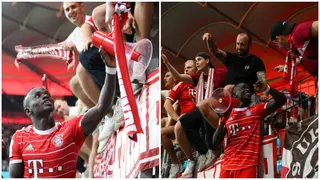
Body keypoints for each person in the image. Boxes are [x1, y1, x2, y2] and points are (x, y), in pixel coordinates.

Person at [9, 49, 117, 178]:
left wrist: (110, 69)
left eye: (46, 95)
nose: (45, 96)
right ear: (28, 111)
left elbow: (102, 107)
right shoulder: (20, 137)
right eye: (37, 96)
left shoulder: (70, 129)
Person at [162, 51, 227, 177]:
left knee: (203, 108)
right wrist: (167, 63)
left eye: (199, 60)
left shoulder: (220, 73)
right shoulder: (198, 78)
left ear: (207, 61)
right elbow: (179, 77)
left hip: (218, 109)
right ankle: (202, 152)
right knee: (183, 122)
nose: (197, 62)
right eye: (195, 60)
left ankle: (212, 148)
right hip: (202, 109)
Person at [212, 81, 286, 178]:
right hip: (227, 165)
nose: (247, 89)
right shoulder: (228, 115)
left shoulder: (256, 110)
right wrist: (223, 119)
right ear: (234, 95)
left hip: (248, 164)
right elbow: (215, 141)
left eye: (248, 88)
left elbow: (282, 99)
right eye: (242, 88)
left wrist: (266, 88)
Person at [162, 60, 197, 178]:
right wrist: (177, 119)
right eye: (185, 68)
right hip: (184, 121)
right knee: (162, 133)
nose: (186, 70)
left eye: (189, 67)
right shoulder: (181, 84)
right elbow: (166, 104)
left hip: (199, 120)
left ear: (196, 69)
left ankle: (189, 162)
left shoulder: (202, 80)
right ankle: (175, 164)